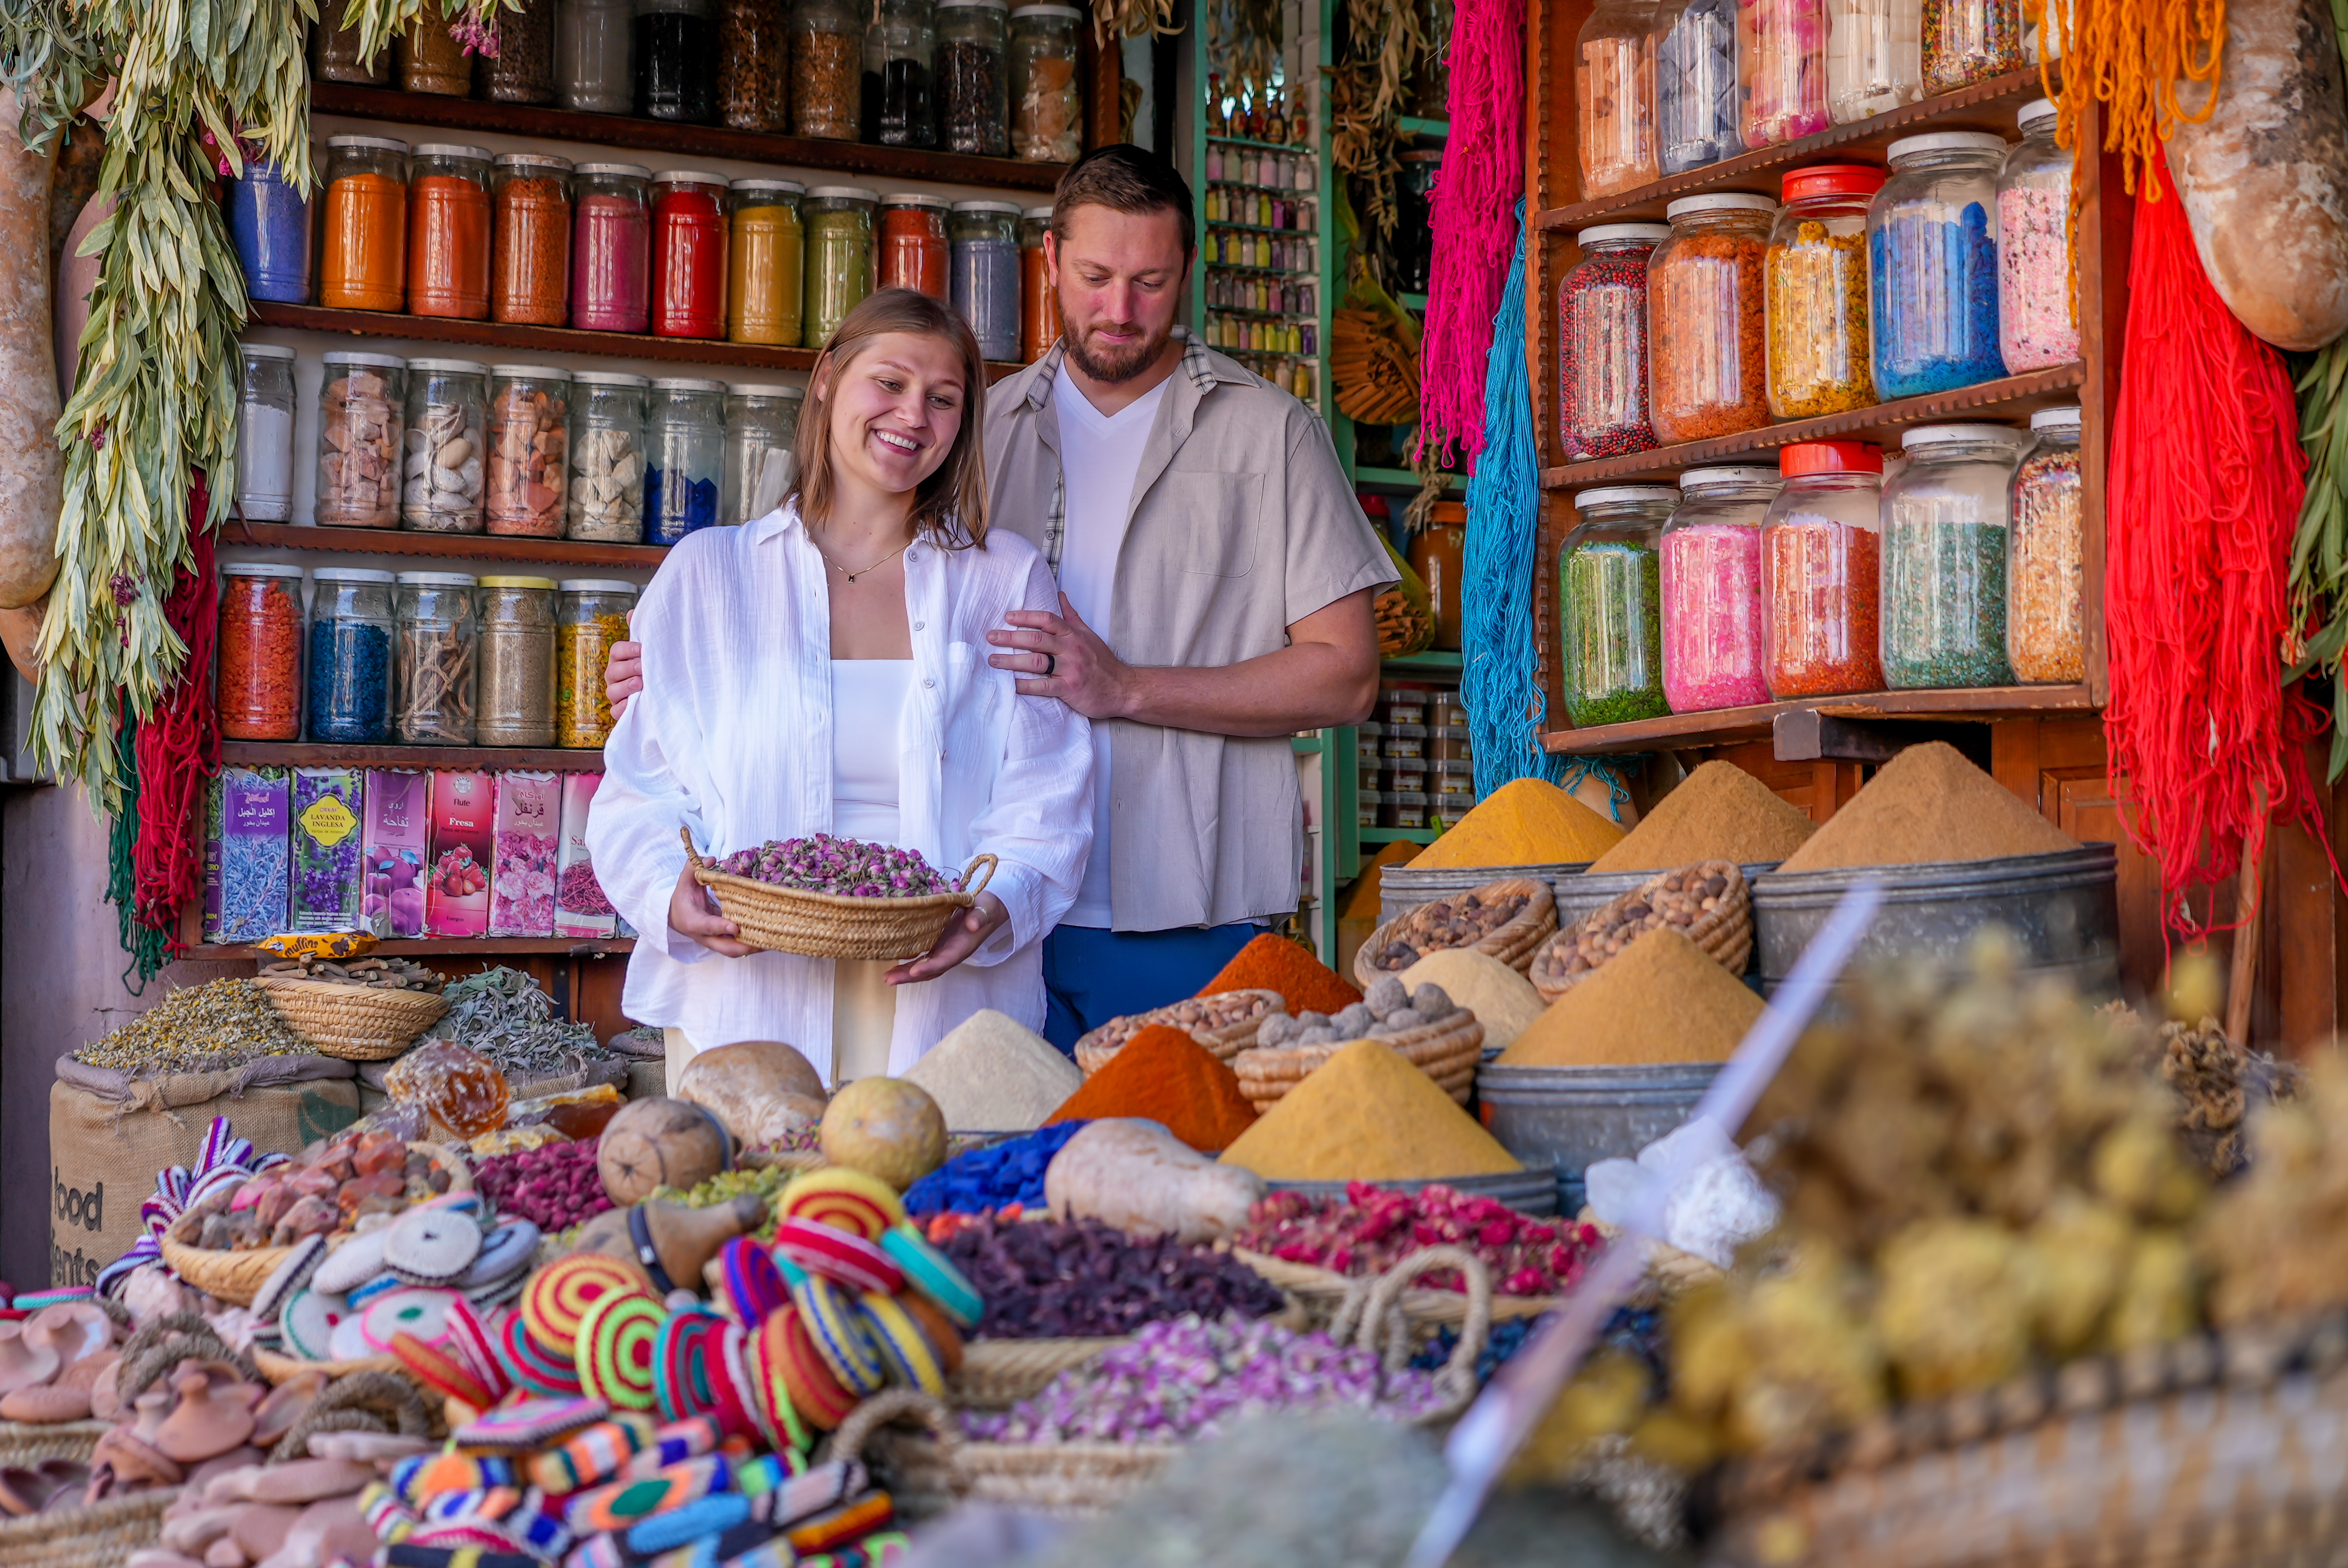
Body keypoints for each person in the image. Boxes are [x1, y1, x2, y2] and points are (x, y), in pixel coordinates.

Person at [611, 147, 1392, 1050]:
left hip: (1181, 897)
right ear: (1049, 262)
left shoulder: (1271, 434)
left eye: (1151, 281)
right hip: (974, 913)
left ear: (1187, 276)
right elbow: (802, 582)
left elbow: (1346, 680)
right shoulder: (973, 424)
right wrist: (674, 661)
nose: (1120, 309)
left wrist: (1128, 685)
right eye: (1096, 277)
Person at [587, 289, 1093, 1092]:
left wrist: (996, 903)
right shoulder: (709, 575)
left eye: (943, 398)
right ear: (826, 378)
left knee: (932, 1216)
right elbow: (643, 787)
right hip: (748, 999)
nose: (912, 414)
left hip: (945, 1004)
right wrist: (665, 892)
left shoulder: (1003, 579)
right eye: (888, 383)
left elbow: (1048, 788)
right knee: (757, 1210)